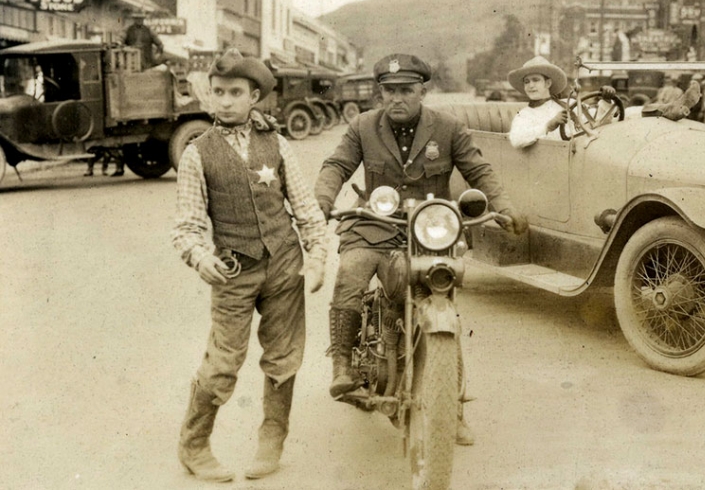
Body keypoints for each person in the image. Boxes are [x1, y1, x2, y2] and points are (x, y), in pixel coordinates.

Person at [314, 53, 528, 447]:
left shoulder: (447, 127)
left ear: (422, 91)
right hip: (375, 226)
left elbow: (480, 171)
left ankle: (453, 409)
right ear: (380, 93)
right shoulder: (362, 125)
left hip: (431, 231)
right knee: (351, 272)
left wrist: (505, 206)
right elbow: (336, 165)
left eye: (406, 91)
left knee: (442, 306)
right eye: (389, 91)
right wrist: (323, 198)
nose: (397, 99)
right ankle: (341, 365)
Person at [171, 48, 329, 482]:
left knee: (283, 359)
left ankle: (271, 442)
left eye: (235, 92)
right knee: (223, 362)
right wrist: (200, 257)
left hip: (284, 267)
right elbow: (185, 227)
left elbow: (305, 209)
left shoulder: (276, 143)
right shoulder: (196, 153)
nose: (224, 101)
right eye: (217, 92)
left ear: (254, 95)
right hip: (233, 272)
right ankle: (194, 445)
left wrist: (315, 258)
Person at [506, 56, 616, 149]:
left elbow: (599, 123)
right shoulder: (524, 114)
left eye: (535, 80)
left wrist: (606, 100)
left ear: (548, 83)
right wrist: (548, 126)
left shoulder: (570, 104)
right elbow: (516, 140)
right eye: (526, 82)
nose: (530, 85)